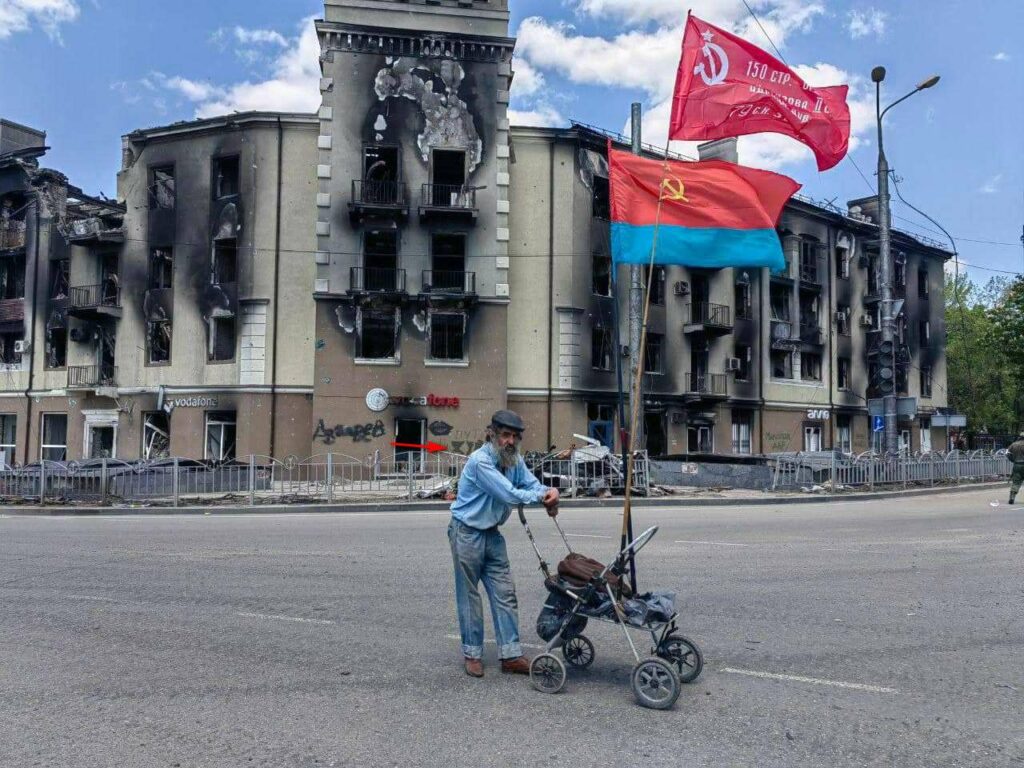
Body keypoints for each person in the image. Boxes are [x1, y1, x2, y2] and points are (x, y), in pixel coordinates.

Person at [448, 409, 559, 678]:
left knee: (505, 594)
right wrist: (540, 496)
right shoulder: (480, 462)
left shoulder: (513, 460)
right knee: (470, 596)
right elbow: (509, 494)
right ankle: (472, 654)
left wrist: (548, 491)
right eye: (505, 436)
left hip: (492, 535)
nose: (510, 441)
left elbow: (530, 483)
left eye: (515, 437)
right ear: (492, 435)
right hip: (467, 533)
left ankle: (510, 655)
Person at [1007, 432, 1024, 504]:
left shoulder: (1013, 444)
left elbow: (1007, 454)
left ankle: (1012, 497)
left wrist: (1013, 460)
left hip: (1017, 465)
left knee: (1016, 482)